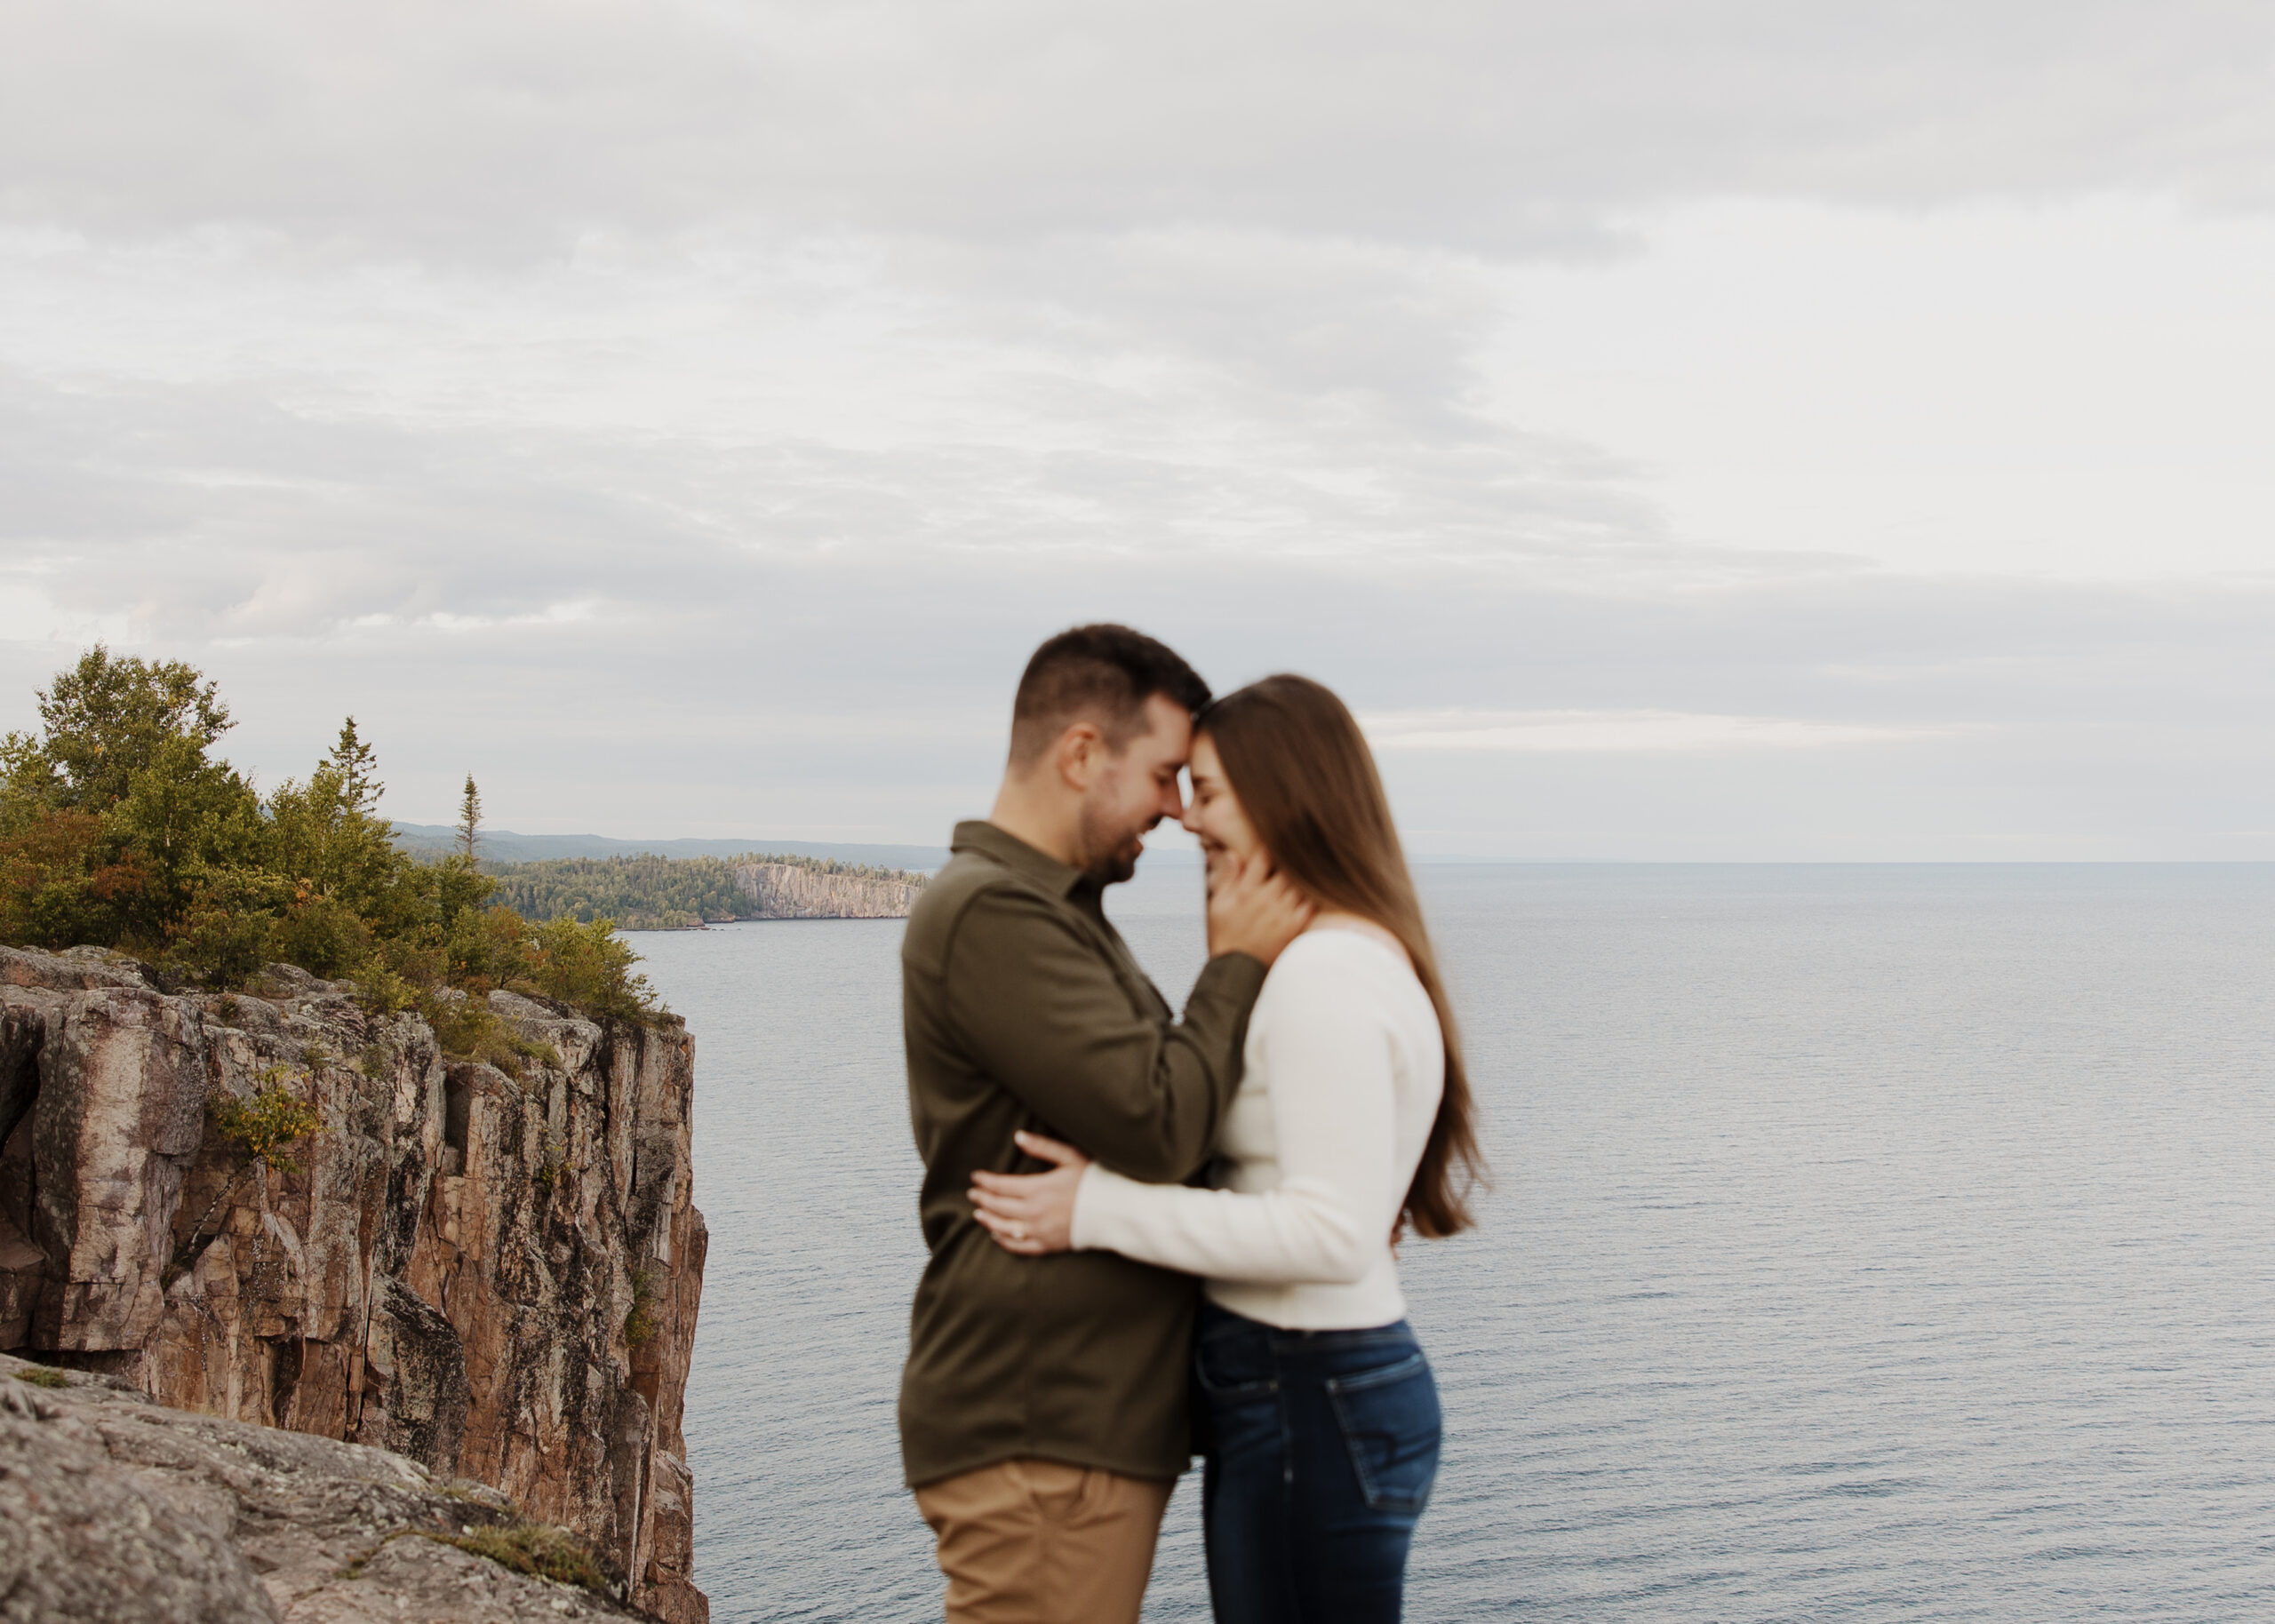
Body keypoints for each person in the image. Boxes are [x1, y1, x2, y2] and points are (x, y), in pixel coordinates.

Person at [968, 673, 1487, 1624]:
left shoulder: (1324, 975)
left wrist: (1095, 1208)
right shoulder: (1347, 953)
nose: (1188, 818)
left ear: (1283, 793)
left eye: (1206, 792)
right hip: (1310, 1388)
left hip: (1308, 1389)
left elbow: (1332, 1234)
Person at [899, 625, 1315, 1624]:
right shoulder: (994, 914)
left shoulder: (1055, 910)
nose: (1176, 810)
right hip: (1041, 1420)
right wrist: (1237, 962)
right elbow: (1161, 1120)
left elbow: (1159, 1118)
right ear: (1082, 753)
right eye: (1165, 776)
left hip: (1069, 1421)